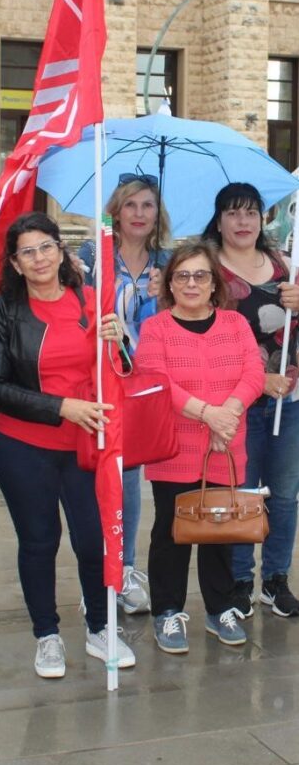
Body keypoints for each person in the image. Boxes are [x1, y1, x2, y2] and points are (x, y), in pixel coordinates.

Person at [0, 211, 136, 679]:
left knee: (93, 541)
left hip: (88, 446)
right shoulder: (5, 310)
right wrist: (60, 407)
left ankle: (98, 626)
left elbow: (122, 372)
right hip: (23, 445)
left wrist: (120, 341)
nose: (39, 257)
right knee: (39, 541)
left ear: (61, 250)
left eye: (46, 246)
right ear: (15, 262)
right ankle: (47, 635)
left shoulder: (90, 301)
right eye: (27, 251)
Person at [135, 243, 264, 654]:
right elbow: (155, 380)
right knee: (172, 532)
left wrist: (228, 414)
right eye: (182, 276)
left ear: (214, 283)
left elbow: (254, 372)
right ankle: (167, 612)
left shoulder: (235, 323)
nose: (192, 283)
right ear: (170, 283)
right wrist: (209, 414)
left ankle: (220, 607)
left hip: (227, 445)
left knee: (220, 531)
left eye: (200, 275)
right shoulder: (156, 328)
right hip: (175, 447)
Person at [77, 174, 172, 616]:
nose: (138, 213)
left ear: (157, 214)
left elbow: (179, 324)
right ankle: (95, 576)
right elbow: (75, 313)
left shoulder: (167, 263)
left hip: (143, 383)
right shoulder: (93, 255)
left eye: (147, 205)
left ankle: (126, 566)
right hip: (98, 379)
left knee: (129, 477)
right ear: (116, 209)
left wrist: (163, 298)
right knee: (93, 477)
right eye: (130, 204)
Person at [203, 182, 299, 618]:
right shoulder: (206, 270)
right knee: (240, 492)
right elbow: (206, 340)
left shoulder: (286, 267)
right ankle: (239, 581)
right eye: (233, 213)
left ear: (263, 220)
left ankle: (275, 580)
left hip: (289, 400)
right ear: (219, 220)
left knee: (283, 495)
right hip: (234, 404)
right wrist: (256, 380)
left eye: (251, 213)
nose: (242, 222)